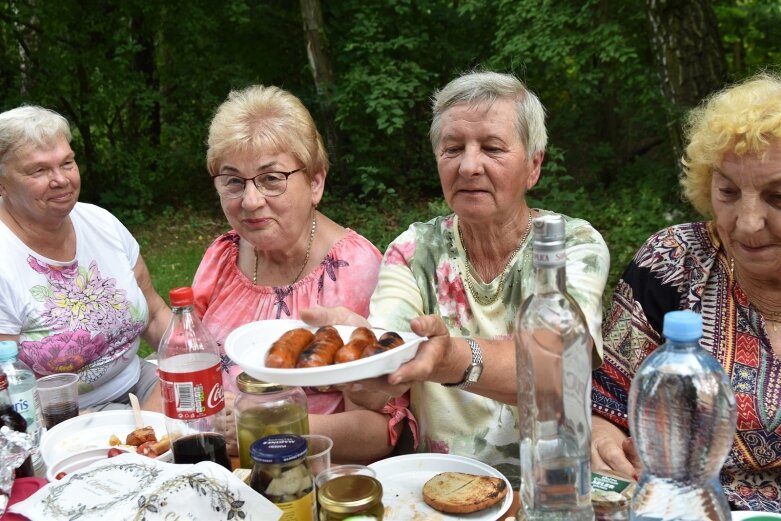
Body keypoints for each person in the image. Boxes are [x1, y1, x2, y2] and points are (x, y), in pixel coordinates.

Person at [303, 70, 610, 486]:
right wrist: (365, 360)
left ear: (534, 165)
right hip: (437, 489)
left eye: (492, 148)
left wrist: (452, 358)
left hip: (551, 491)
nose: (468, 166)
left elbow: (558, 370)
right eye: (452, 148)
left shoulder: (570, 246)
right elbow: (382, 382)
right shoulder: (413, 251)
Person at [591, 72, 781, 511]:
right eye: (728, 192)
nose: (748, 222)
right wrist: (604, 438)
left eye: (778, 197)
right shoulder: (674, 260)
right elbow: (606, 398)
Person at [194, 85, 388, 462]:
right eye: (233, 181)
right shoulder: (222, 257)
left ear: (315, 182)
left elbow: (379, 434)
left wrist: (269, 425)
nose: (250, 201)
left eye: (271, 178)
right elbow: (182, 368)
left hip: (309, 483)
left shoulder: (357, 270)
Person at [0, 105, 170, 411]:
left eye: (67, 163)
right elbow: (6, 392)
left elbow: (155, 314)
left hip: (139, 383)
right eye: (39, 170)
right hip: (59, 417)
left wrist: (195, 362)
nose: (61, 179)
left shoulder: (101, 222)